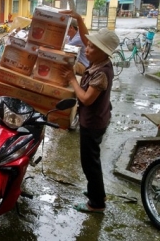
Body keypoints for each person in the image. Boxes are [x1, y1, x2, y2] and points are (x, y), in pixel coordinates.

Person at [60, 11, 119, 214]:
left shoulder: (101, 73)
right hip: (95, 120)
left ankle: (96, 204)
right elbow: (86, 40)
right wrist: (79, 19)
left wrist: (72, 80)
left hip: (93, 123)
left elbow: (85, 99)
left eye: (92, 47)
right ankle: (98, 192)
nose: (87, 48)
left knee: (89, 163)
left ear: (103, 52)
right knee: (91, 160)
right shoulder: (99, 61)